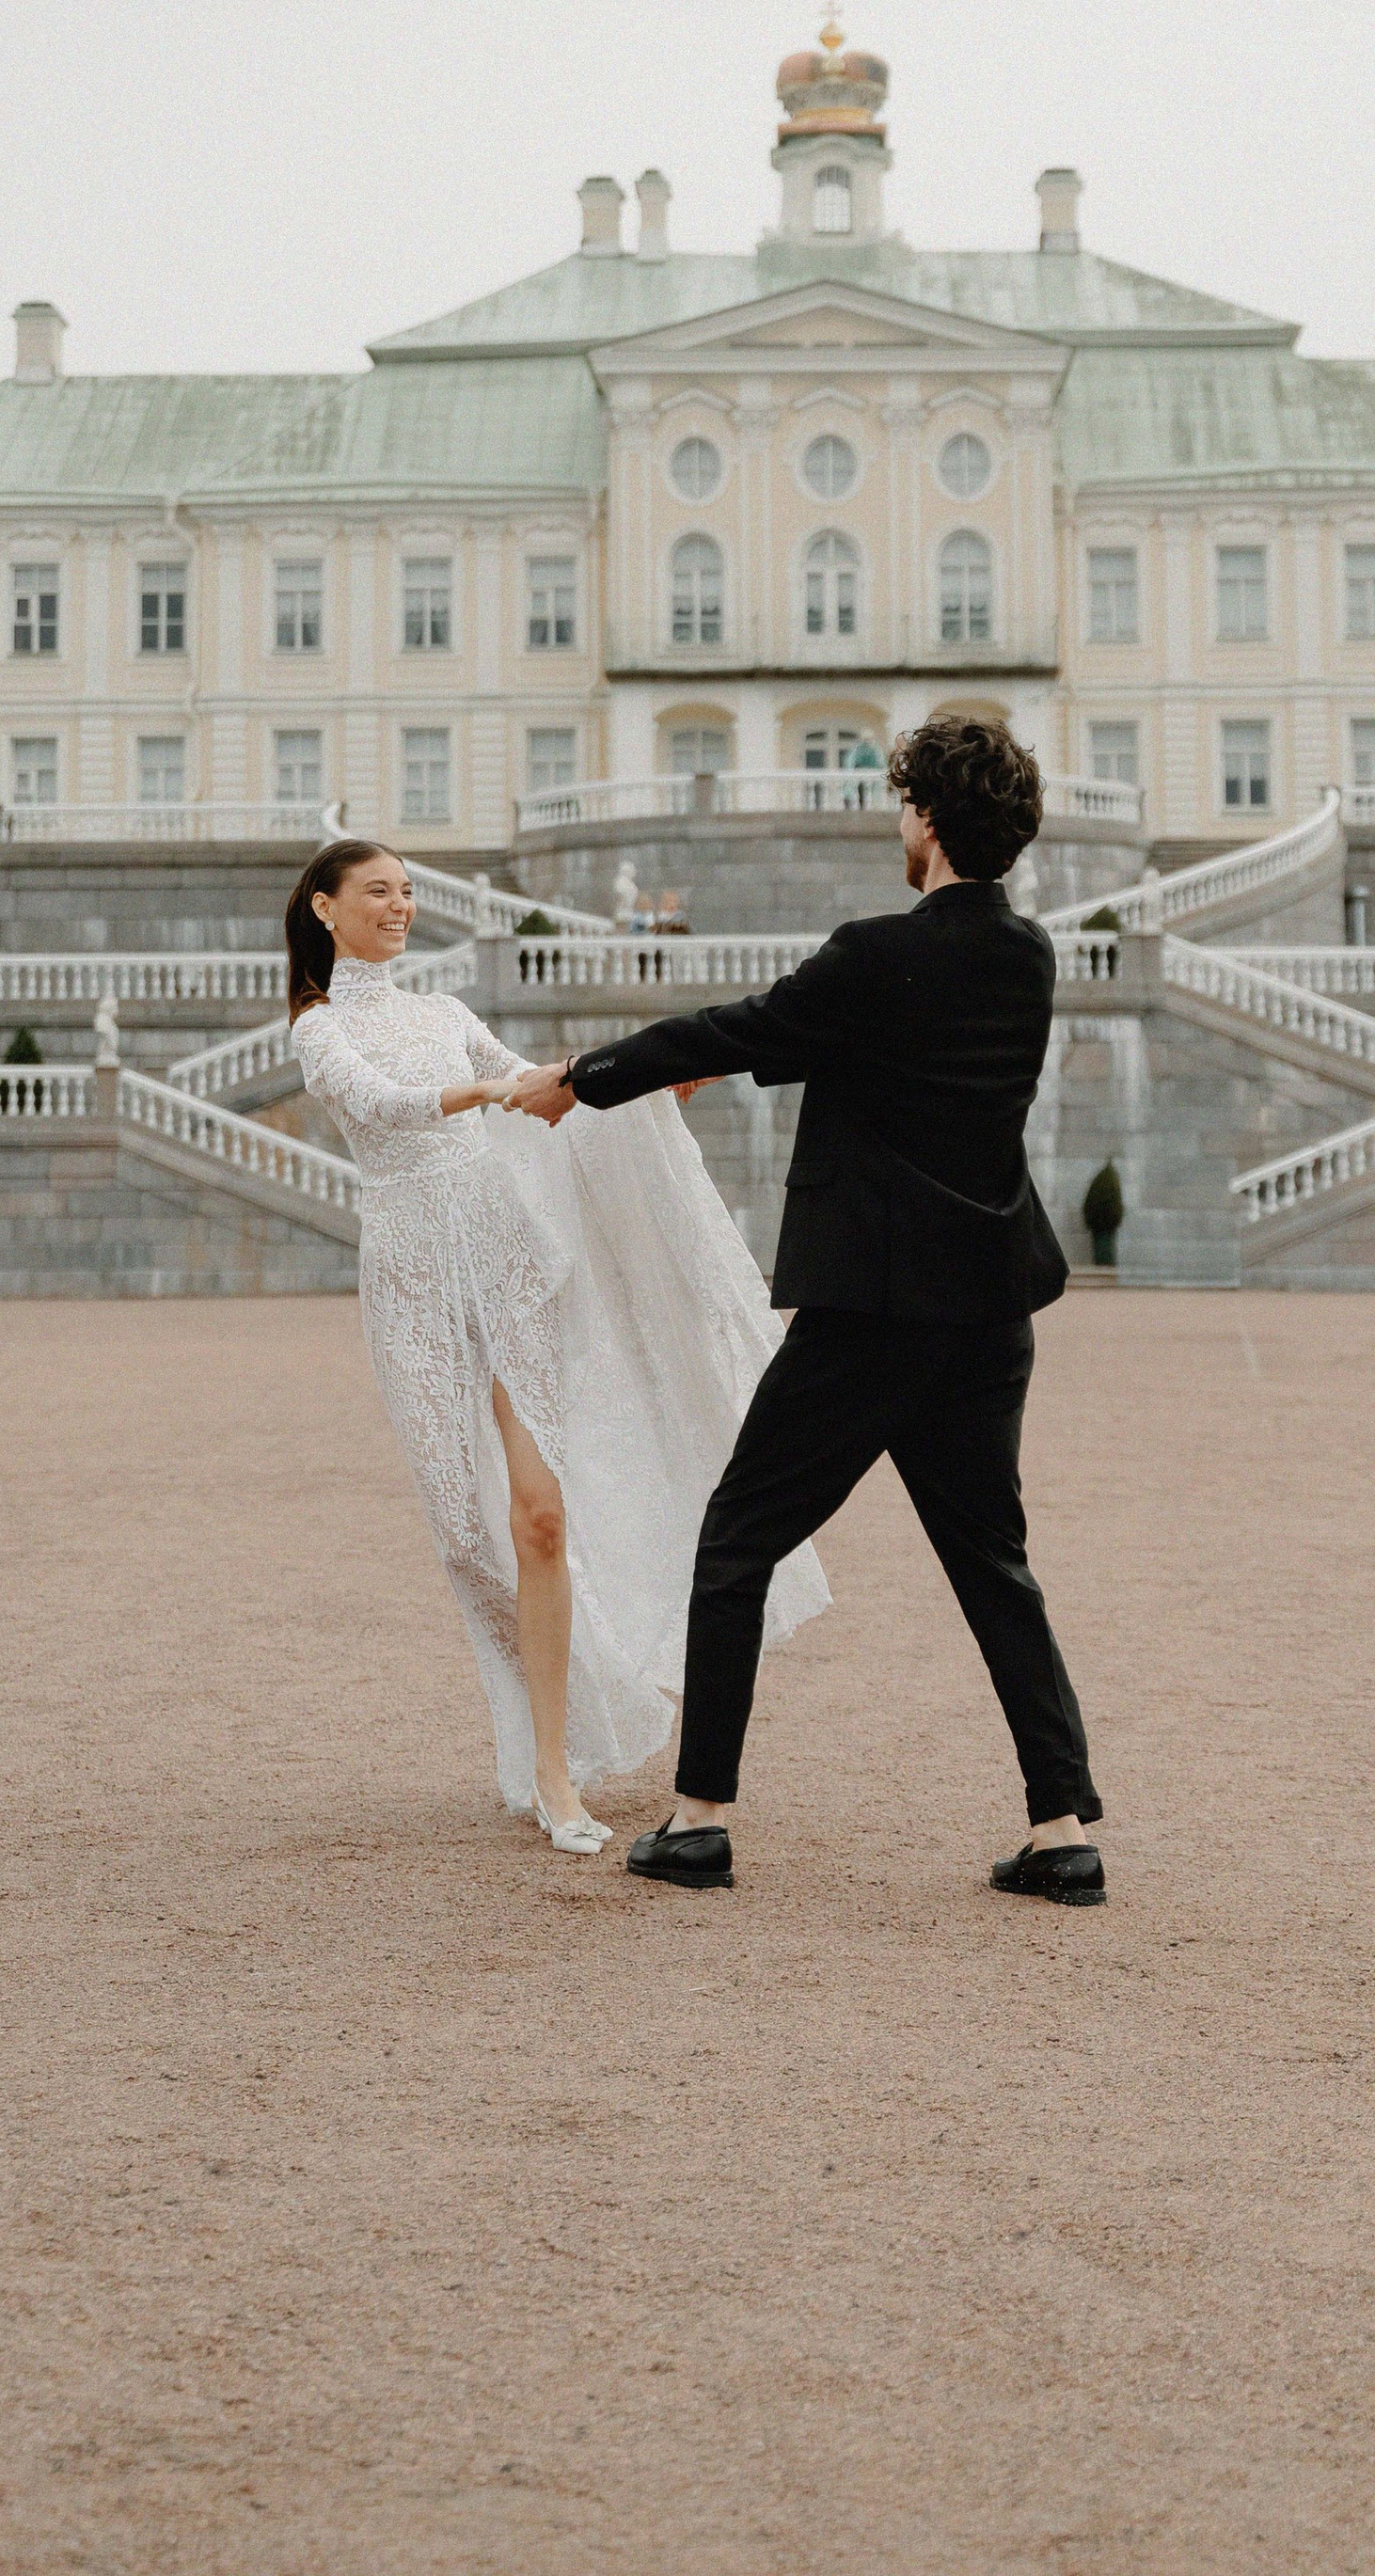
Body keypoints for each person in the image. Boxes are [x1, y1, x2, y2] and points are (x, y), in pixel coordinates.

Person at [507, 715, 1101, 1906]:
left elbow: (745, 1031)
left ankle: (701, 1818)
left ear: (926, 818)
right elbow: (840, 1054)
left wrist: (584, 1078)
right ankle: (1060, 1829)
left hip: (871, 1307)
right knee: (996, 1567)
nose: (899, 825)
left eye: (902, 807)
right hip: (987, 1312)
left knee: (735, 1539)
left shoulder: (875, 952)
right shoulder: (1029, 955)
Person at [285, 839, 826, 1856]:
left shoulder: (444, 1013)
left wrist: (637, 1083)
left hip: (500, 1253)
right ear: (324, 908)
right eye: (377, 892)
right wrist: (487, 1097)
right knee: (468, 1533)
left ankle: (552, 1773)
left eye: (406, 892)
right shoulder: (318, 1027)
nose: (399, 907)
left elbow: (534, 1083)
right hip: (412, 1280)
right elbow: (377, 1105)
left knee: (538, 1517)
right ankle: (548, 1709)